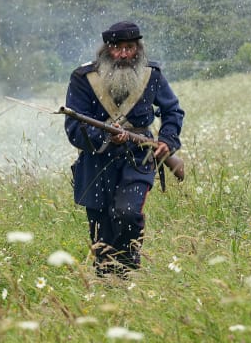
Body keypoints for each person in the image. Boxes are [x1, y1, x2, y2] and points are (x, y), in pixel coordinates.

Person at [64, 21, 184, 278]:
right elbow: (74, 128)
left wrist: (167, 139)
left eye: (129, 48)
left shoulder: (152, 76)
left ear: (138, 49)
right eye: (117, 48)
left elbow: (172, 111)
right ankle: (108, 282)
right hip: (95, 162)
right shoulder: (82, 79)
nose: (123, 54)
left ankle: (128, 269)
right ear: (107, 50)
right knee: (100, 231)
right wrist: (104, 136)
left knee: (128, 214)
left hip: (138, 159)